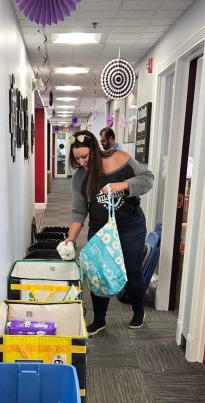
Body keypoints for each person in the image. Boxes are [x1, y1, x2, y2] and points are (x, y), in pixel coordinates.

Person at [64, 130, 155, 333]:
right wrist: (71, 237)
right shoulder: (80, 177)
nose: (81, 162)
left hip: (130, 225)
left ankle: (138, 312)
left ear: (95, 150)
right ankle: (99, 320)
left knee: (132, 270)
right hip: (100, 228)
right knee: (99, 272)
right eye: (77, 158)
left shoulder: (120, 158)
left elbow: (148, 179)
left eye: (85, 156)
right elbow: (79, 211)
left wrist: (123, 185)